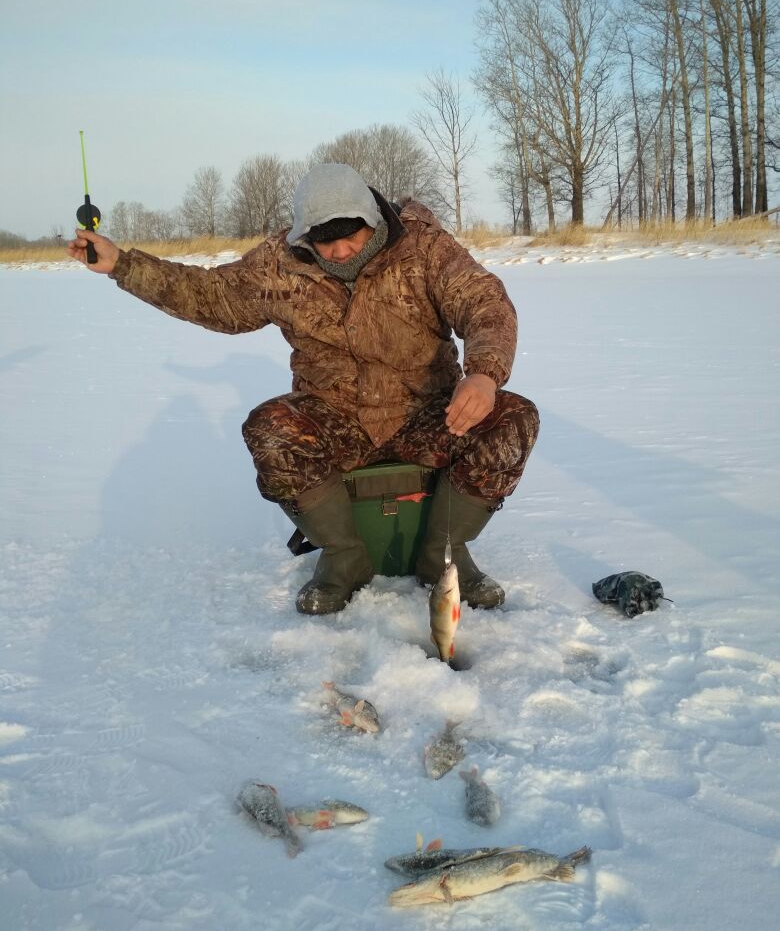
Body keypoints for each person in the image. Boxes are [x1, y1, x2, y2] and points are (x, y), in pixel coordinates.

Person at [68, 163, 539, 615]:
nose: (339, 252)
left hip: (428, 413)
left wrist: (483, 374)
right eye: (324, 242)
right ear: (304, 236)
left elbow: (485, 303)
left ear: (372, 221)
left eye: (350, 238)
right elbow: (213, 296)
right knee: (269, 429)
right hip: (336, 417)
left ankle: (444, 555)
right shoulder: (281, 261)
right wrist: (121, 265)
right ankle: (344, 556)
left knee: (513, 419)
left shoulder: (425, 247)